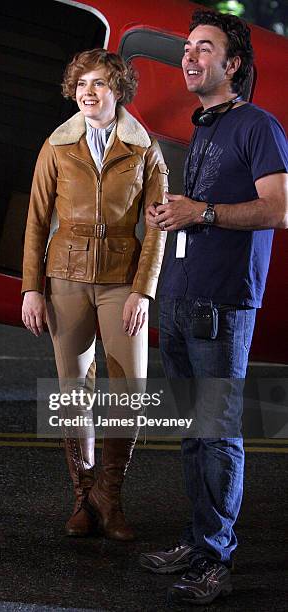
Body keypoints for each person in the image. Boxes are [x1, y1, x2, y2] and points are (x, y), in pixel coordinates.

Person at [140, 9, 288, 607]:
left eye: (205, 48)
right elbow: (203, 211)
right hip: (181, 298)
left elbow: (278, 208)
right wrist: (174, 215)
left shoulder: (259, 126)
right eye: (188, 48)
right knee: (192, 434)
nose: (190, 56)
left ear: (233, 66)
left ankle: (217, 560)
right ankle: (197, 541)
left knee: (220, 433)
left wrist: (199, 213)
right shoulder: (205, 128)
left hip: (224, 305)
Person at [22, 49, 167, 541]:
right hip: (64, 280)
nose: (89, 91)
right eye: (82, 83)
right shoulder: (57, 146)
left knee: (130, 392)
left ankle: (113, 496)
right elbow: (37, 221)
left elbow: (159, 228)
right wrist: (30, 289)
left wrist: (143, 292)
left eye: (100, 83)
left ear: (118, 90)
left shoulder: (145, 149)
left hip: (122, 282)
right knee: (73, 394)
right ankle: (84, 498)